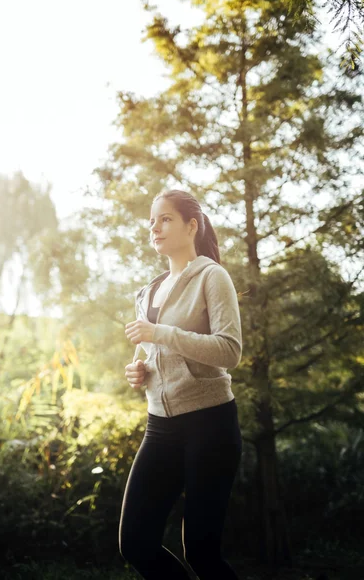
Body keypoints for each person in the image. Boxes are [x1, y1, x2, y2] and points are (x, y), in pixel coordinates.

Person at [119, 189, 243, 580]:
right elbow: (151, 353)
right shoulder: (148, 291)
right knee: (136, 543)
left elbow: (229, 350)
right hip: (160, 427)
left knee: (203, 554)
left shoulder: (212, 276)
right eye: (152, 220)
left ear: (192, 226)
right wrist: (139, 371)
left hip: (211, 424)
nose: (154, 227)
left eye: (165, 218)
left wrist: (161, 332)